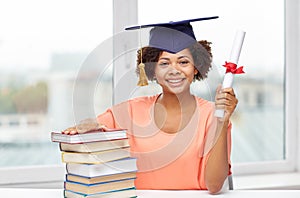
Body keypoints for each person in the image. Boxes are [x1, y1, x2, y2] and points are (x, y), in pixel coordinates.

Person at [62, 16, 238, 194]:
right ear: (152, 69)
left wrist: (222, 121)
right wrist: (84, 127)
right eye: (164, 63)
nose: (174, 70)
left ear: (196, 67)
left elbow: (215, 186)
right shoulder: (130, 112)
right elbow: (93, 128)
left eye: (183, 62)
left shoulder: (213, 116)